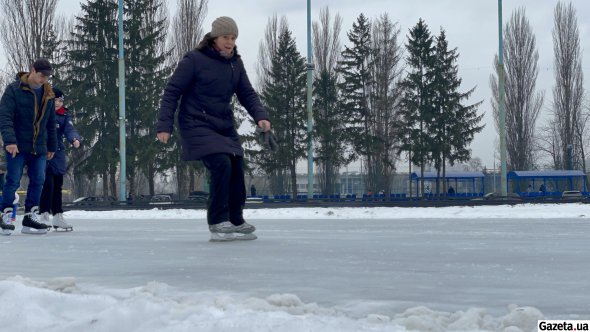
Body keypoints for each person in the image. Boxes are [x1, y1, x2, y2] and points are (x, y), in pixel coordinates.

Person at [157, 16, 271, 242]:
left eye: (233, 38)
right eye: (225, 37)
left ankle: (235, 219)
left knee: (237, 165)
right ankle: (218, 220)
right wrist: (164, 125)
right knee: (221, 163)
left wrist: (261, 117)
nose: (230, 42)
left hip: (223, 125)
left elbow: (247, 93)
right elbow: (172, 92)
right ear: (214, 38)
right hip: (195, 123)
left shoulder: (235, 64)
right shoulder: (194, 60)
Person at [0, 58, 57, 235]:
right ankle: (5, 216)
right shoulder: (14, 90)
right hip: (17, 146)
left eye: (47, 77)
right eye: (41, 76)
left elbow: (50, 122)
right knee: (13, 181)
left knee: (38, 180)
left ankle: (30, 218)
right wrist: (9, 141)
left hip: (39, 147)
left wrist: (52, 146)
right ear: (32, 70)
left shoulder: (48, 94)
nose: (43, 80)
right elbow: (5, 117)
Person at [38, 87, 81, 231]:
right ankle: (43, 214)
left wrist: (74, 139)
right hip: (42, 152)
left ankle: (57, 215)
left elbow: (70, 129)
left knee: (57, 185)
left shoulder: (64, 115)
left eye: (60, 101)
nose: (57, 103)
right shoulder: (41, 112)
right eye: (54, 100)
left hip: (58, 153)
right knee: (47, 183)